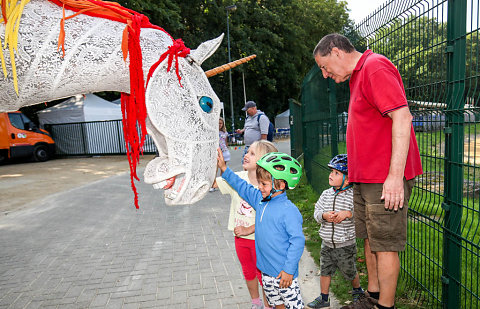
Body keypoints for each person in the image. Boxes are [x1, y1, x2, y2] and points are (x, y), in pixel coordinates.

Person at [313, 34, 423, 309]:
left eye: (325, 67)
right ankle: (371, 297)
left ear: (336, 52)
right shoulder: (357, 76)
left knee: (385, 244)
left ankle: (385, 306)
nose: (325, 75)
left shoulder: (375, 67)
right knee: (371, 240)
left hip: (383, 178)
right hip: (364, 178)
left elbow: (402, 116)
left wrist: (395, 177)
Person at [218, 150, 306, 309]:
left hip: (285, 275)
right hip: (266, 273)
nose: (259, 187)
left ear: (281, 184)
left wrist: (288, 269)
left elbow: (298, 242)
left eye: (264, 184)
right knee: (277, 305)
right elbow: (242, 186)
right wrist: (224, 169)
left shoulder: (289, 210)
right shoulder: (260, 200)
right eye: (259, 182)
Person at [216, 140, 278, 309]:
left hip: (260, 240)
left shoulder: (268, 187)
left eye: (252, 153)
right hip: (240, 239)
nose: (246, 155)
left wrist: (249, 229)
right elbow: (213, 183)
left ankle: (268, 305)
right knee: (248, 272)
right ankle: (255, 303)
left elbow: (270, 218)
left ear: (263, 160)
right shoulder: (237, 178)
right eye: (247, 151)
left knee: (263, 275)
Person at [307, 154, 364, 308]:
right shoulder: (326, 194)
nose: (331, 175)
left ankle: (357, 290)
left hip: (345, 244)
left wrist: (348, 214)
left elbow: (359, 214)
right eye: (331, 171)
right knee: (325, 270)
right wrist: (324, 216)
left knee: (349, 270)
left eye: (336, 173)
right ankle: (324, 298)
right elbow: (317, 212)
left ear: (347, 180)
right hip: (326, 243)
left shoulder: (353, 196)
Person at [210, 117, 231, 192]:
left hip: (224, 152)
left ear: (223, 124)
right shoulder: (213, 132)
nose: (219, 125)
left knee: (223, 168)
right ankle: (213, 184)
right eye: (218, 123)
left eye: (221, 123)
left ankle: (221, 184)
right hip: (216, 152)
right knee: (214, 169)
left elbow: (225, 142)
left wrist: (226, 148)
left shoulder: (224, 133)